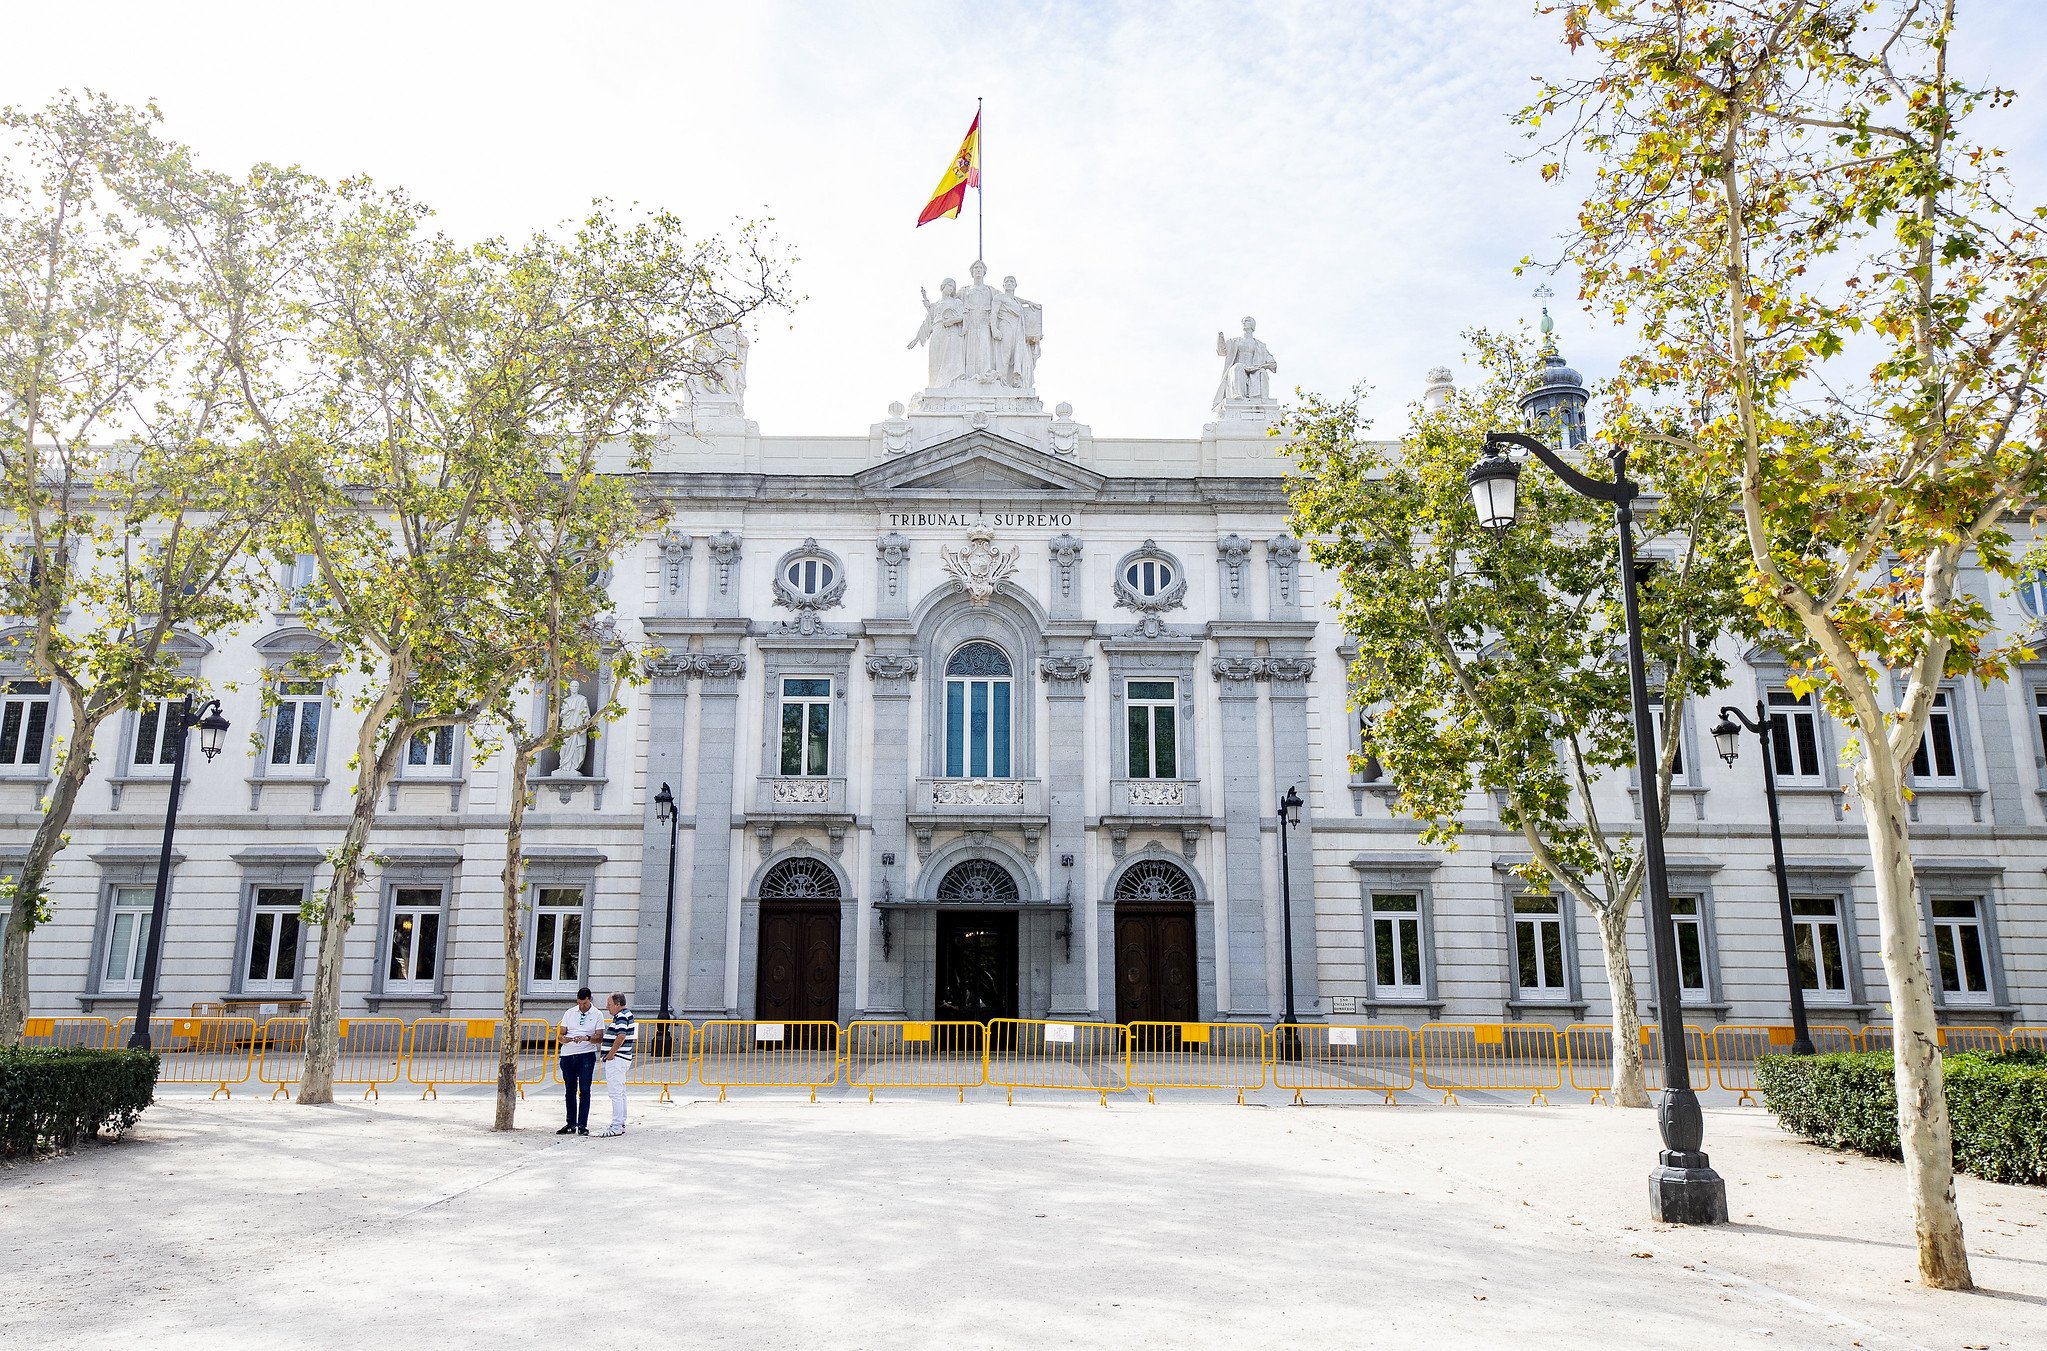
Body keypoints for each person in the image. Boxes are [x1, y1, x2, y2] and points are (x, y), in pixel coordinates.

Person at [557, 986, 602, 1136]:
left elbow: (599, 1036)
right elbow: (561, 1034)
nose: (582, 1006)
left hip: (586, 1053)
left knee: (585, 1090)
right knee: (569, 1089)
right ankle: (571, 1123)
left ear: (590, 999)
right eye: (579, 1003)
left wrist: (586, 1038)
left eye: (584, 1003)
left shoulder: (597, 1014)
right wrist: (565, 1039)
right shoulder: (569, 1013)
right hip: (568, 1054)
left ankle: (582, 1124)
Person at [597, 991, 637, 1138]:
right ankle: (621, 1122)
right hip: (621, 1058)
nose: (607, 1007)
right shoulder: (625, 1015)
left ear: (617, 1004)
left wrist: (610, 1054)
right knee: (620, 1091)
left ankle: (616, 1125)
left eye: (609, 1004)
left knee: (615, 1093)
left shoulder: (621, 1016)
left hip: (617, 1059)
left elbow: (620, 1036)